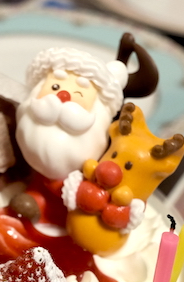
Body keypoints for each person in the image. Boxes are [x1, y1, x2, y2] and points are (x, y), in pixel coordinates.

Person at [12, 47, 129, 225]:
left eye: (79, 94)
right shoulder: (26, 131)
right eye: (55, 87)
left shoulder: (93, 168)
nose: (63, 96)